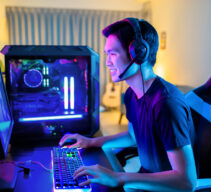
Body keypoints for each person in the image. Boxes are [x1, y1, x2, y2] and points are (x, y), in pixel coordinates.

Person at [59, 18, 197, 192]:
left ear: (138, 53)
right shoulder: (132, 94)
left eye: (113, 54)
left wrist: (119, 177)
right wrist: (92, 142)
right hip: (145, 181)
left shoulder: (166, 103)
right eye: (107, 54)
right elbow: (133, 136)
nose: (107, 62)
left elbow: (187, 181)